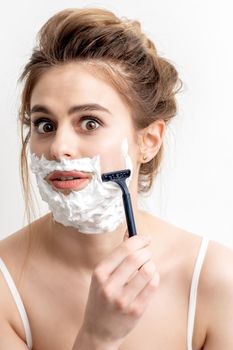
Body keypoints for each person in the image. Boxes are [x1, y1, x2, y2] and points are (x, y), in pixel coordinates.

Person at [0, 7, 232, 350]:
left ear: (148, 141)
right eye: (44, 125)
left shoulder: (215, 279)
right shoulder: (5, 287)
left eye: (89, 122)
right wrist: (97, 337)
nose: (59, 147)